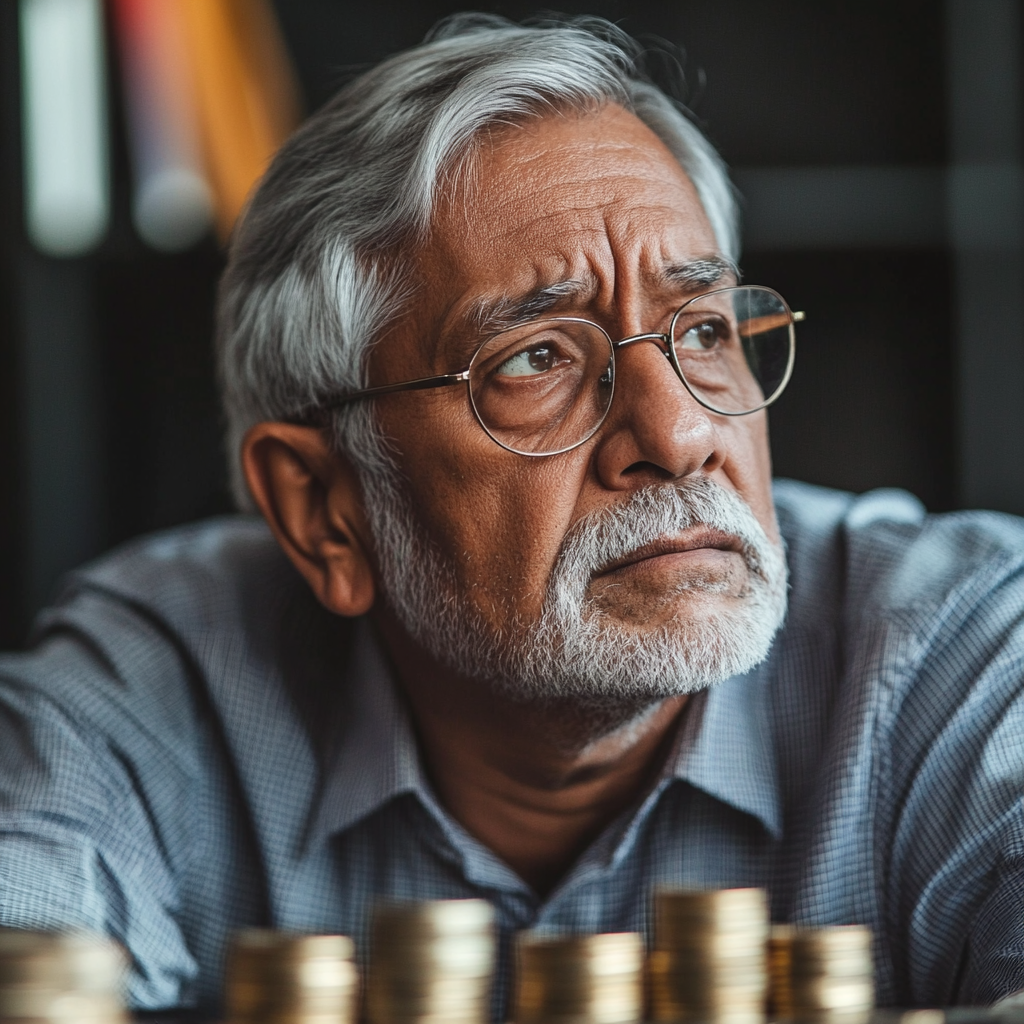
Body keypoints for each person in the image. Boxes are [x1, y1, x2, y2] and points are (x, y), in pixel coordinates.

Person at [2, 13, 1024, 1017]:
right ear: (324, 511)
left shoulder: (963, 649)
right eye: (536, 359)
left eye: (704, 329)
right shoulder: (160, 684)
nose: (676, 436)